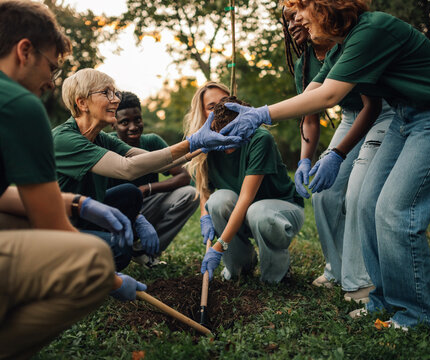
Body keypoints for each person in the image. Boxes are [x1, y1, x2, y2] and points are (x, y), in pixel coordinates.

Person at [218, 0, 430, 329]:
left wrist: (261, 114)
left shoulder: (372, 30)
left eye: (299, 9)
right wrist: (326, 155)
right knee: (367, 204)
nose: (294, 20)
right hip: (404, 115)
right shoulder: (346, 43)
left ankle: (419, 316)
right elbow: (316, 93)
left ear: (324, 6)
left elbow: (328, 98)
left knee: (396, 211)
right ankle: (382, 299)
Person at [0, 1, 146, 358]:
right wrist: (112, 281)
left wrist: (76, 201)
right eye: (50, 66)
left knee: (13, 220)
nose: (50, 82)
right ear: (24, 51)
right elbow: (52, 229)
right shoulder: (16, 103)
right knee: (93, 257)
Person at [53, 69, 241, 271]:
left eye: (115, 93)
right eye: (106, 93)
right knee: (119, 249)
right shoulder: (65, 140)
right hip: (60, 227)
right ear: (82, 103)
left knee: (130, 194)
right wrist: (190, 143)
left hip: (88, 215)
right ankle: (77, 271)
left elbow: (151, 161)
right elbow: (127, 169)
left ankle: (121, 249)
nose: (115, 100)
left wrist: (199, 147)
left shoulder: (100, 137)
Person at [282, 5, 395, 303]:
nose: (294, 22)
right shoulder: (304, 64)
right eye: (287, 20)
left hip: (381, 114)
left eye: (297, 14)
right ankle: (337, 268)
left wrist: (338, 153)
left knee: (357, 192)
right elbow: (309, 115)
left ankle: (362, 279)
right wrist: (305, 159)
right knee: (323, 193)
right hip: (351, 116)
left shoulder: (346, 41)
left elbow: (371, 104)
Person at [185, 82, 305, 283]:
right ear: (203, 114)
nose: (220, 111)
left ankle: (275, 275)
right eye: (212, 107)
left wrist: (220, 244)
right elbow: (204, 189)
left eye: (224, 103)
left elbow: (245, 199)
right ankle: (239, 268)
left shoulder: (259, 138)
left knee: (257, 211)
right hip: (246, 213)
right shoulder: (206, 145)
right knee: (217, 201)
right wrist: (205, 216)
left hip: (278, 213)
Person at [109, 91, 199, 265]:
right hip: (115, 213)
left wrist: (147, 188)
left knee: (190, 194)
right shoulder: (106, 145)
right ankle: (123, 248)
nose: (133, 126)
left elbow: (183, 176)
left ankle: (146, 252)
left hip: (146, 205)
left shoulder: (151, 142)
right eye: (124, 122)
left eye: (137, 119)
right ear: (113, 124)